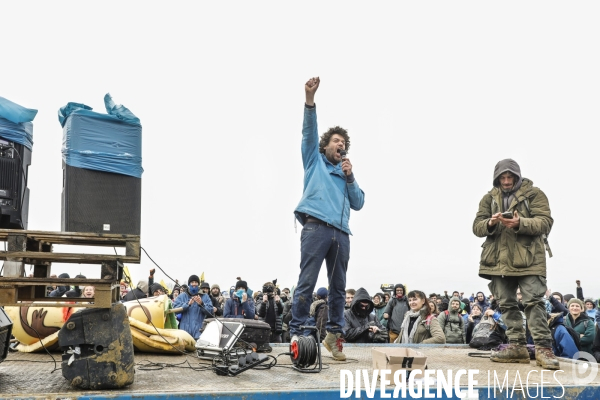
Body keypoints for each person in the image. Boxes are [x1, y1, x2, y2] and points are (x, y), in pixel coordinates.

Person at [289, 77, 365, 362]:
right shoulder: (314, 160)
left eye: (344, 143)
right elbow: (309, 133)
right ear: (326, 146)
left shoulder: (346, 176)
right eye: (336, 141)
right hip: (316, 227)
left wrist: (350, 176)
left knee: (337, 286)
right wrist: (310, 101)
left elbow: (358, 202)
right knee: (307, 282)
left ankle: (333, 336)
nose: (340, 145)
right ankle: (298, 331)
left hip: (341, 233)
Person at [473, 158, 558, 369]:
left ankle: (543, 349)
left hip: (529, 258)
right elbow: (477, 227)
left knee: (534, 302)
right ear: (497, 178)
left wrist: (521, 223)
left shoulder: (534, 194)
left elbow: (545, 222)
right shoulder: (489, 198)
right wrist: (490, 223)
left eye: (510, 176)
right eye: (503, 177)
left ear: (517, 176)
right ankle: (517, 346)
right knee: (506, 304)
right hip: (498, 260)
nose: (507, 180)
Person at [172, 274, 213, 340]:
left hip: (199, 333)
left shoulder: (205, 296)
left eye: (196, 282)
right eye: (192, 282)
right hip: (184, 333)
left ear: (198, 284)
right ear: (189, 284)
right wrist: (187, 304)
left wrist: (201, 304)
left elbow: (211, 311)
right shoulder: (182, 296)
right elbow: (174, 309)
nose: (194, 284)